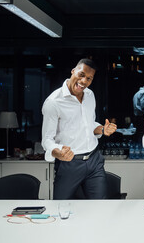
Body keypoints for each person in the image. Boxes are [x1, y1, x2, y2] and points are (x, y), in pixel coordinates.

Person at [41, 58, 117, 199]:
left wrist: (102, 129)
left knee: (101, 208)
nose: (84, 81)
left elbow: (89, 125)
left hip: (94, 161)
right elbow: (46, 140)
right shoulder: (53, 102)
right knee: (61, 207)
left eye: (89, 78)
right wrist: (58, 153)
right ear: (73, 71)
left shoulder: (90, 95)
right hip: (70, 163)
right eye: (81, 74)